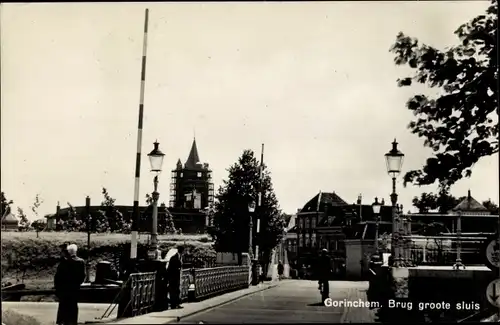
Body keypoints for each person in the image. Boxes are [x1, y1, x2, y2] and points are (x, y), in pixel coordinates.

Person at [54, 244, 86, 325]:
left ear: (68, 252)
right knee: (73, 306)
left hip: (64, 289)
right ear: (75, 251)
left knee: (63, 306)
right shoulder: (81, 262)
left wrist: (57, 288)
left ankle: (62, 321)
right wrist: (78, 283)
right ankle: (73, 322)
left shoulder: (64, 262)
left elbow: (57, 277)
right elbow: (82, 276)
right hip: (74, 288)